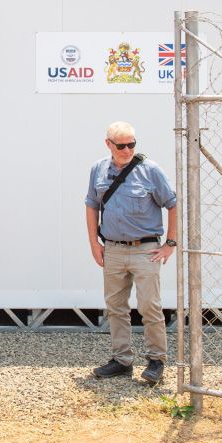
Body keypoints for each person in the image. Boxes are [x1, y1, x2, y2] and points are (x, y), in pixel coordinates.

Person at [85, 121, 176, 385]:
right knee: (115, 307)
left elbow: (172, 203)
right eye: (121, 145)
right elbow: (91, 205)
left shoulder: (150, 170)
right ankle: (121, 360)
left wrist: (170, 243)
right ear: (108, 144)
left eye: (132, 144)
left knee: (150, 307)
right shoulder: (98, 170)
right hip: (112, 249)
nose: (127, 150)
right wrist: (93, 243)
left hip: (145, 250)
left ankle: (156, 361)